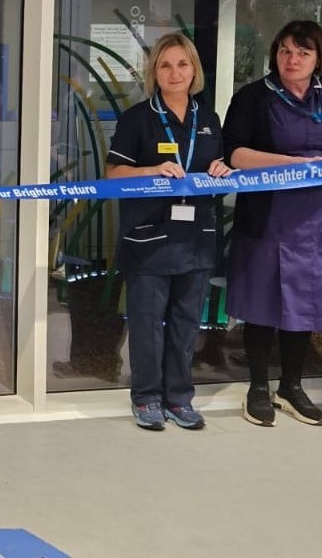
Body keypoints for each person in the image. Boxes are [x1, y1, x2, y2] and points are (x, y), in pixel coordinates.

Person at [222, 19, 322, 428]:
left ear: (319, 58)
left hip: (318, 221)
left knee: (304, 303)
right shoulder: (253, 97)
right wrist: (294, 166)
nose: (292, 59)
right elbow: (234, 153)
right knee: (262, 303)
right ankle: (257, 388)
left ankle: (291, 385)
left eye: (303, 52)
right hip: (268, 217)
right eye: (285, 51)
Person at [106, 33, 231, 431]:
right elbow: (113, 174)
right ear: (154, 72)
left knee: (185, 325)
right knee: (146, 323)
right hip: (149, 239)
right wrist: (150, 170)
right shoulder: (137, 118)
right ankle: (146, 398)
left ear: (194, 70)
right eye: (165, 65)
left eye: (182, 64)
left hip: (196, 238)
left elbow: (222, 173)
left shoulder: (208, 120)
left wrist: (223, 171)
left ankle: (180, 398)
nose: (174, 73)